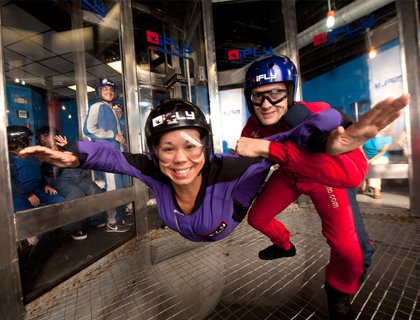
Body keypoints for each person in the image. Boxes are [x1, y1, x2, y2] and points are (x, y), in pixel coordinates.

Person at [20, 98, 371, 243]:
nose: (180, 160)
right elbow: (109, 155)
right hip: (197, 227)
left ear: (205, 145)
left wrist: (330, 138)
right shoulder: (154, 170)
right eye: (167, 148)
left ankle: (284, 242)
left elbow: (295, 135)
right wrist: (73, 155)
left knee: (265, 216)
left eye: (190, 145)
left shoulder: (233, 169)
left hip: (232, 218)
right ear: (154, 153)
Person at [235, 54, 410, 320]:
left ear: (290, 92)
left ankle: (338, 293)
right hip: (290, 176)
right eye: (258, 96)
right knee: (258, 218)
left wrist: (327, 146)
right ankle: (284, 246)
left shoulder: (313, 112)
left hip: (323, 180)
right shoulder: (254, 126)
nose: (267, 104)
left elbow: (348, 176)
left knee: (350, 252)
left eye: (275, 94)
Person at [36, 126, 107, 240]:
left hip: (80, 176)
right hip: (61, 179)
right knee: (76, 193)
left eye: (45, 135)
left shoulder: (65, 146)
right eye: (40, 137)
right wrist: (45, 184)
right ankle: (72, 229)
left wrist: (68, 146)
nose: (43, 139)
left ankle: (97, 220)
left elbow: (82, 158)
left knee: (95, 191)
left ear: (55, 136)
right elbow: (37, 173)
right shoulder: (41, 153)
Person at [83, 78, 131, 232]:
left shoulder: (111, 109)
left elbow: (116, 135)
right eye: (105, 89)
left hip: (117, 154)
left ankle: (119, 217)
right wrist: (112, 135)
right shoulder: (97, 106)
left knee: (121, 186)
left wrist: (121, 139)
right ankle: (112, 222)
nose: (109, 92)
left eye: (111, 90)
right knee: (113, 187)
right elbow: (88, 129)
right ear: (99, 92)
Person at [7, 125, 64, 244]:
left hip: (36, 190)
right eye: (29, 138)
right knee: (29, 219)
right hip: (20, 194)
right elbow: (12, 183)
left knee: (58, 200)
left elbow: (38, 174)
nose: (31, 140)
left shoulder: (30, 154)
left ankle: (51, 233)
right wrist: (28, 195)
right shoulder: (8, 159)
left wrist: (45, 185)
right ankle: (36, 240)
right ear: (21, 139)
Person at [361, 132, 392, 199]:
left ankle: (376, 188)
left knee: (374, 165)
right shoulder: (365, 135)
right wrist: (365, 158)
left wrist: (369, 161)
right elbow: (360, 147)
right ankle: (364, 184)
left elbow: (382, 152)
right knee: (361, 163)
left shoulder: (387, 137)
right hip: (366, 157)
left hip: (381, 157)